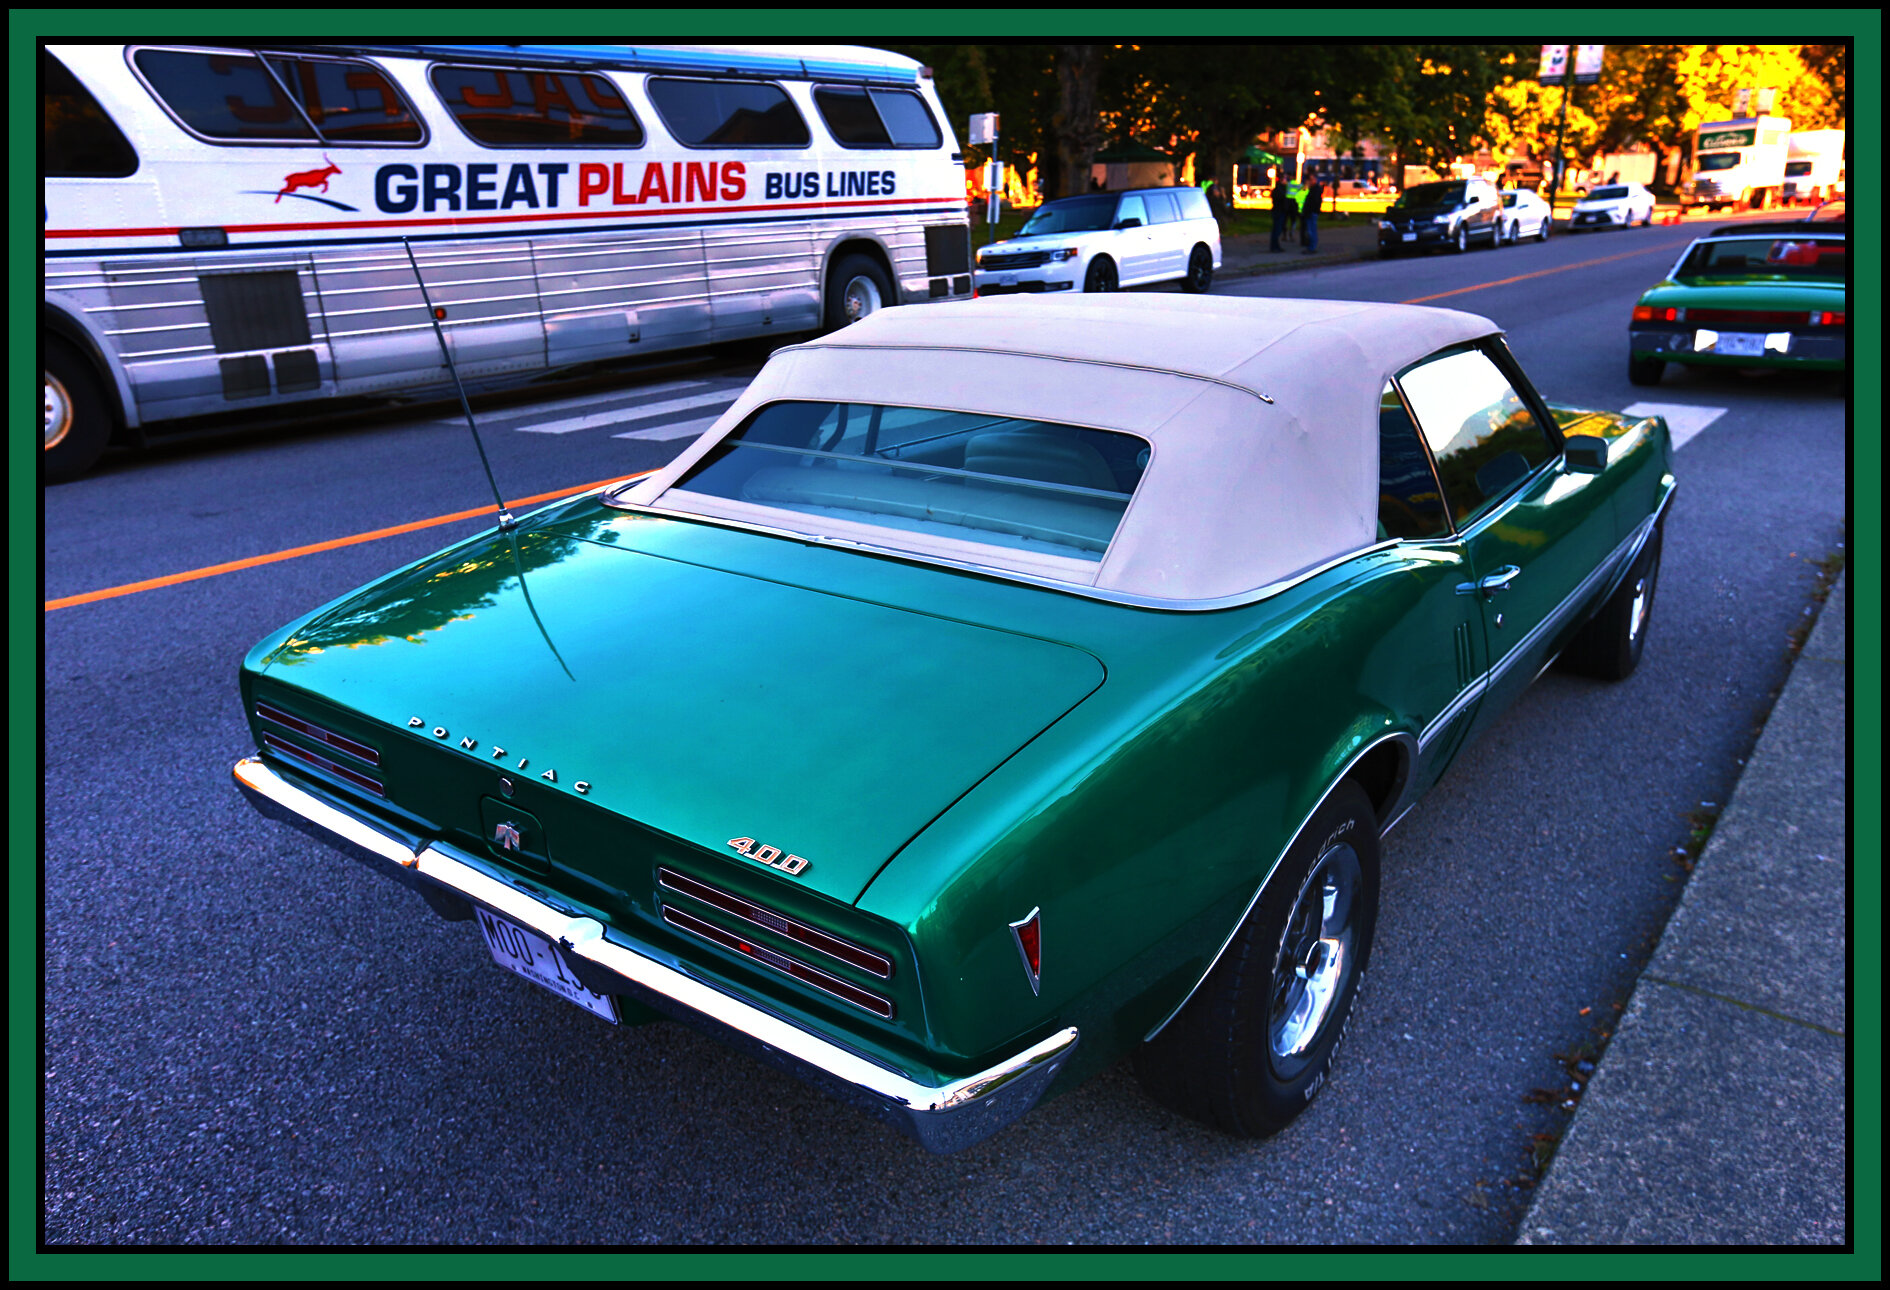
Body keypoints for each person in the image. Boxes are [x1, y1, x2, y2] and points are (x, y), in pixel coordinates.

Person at [1269, 174, 1295, 253]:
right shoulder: (1279, 190)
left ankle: (1276, 246)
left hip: (1280, 211)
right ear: (1281, 180)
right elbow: (1281, 200)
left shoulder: (1281, 189)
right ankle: (1274, 247)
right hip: (1279, 211)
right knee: (1277, 230)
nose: (1286, 180)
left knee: (1278, 229)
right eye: (1285, 179)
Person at [1300, 176, 1325, 253]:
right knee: (1311, 230)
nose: (1309, 182)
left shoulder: (1315, 190)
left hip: (1311, 213)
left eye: (1311, 180)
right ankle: (1311, 247)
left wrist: (1309, 211)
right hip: (1311, 213)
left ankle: (1311, 248)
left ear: (1315, 180)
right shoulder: (1314, 189)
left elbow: (1313, 202)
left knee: (1311, 231)